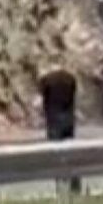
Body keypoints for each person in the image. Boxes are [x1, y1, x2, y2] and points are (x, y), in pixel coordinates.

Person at [38, 62, 80, 193]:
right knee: (70, 152)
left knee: (56, 153)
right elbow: (73, 95)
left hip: (53, 120)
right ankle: (75, 183)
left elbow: (43, 96)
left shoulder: (46, 80)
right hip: (68, 119)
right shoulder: (70, 79)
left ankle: (59, 184)